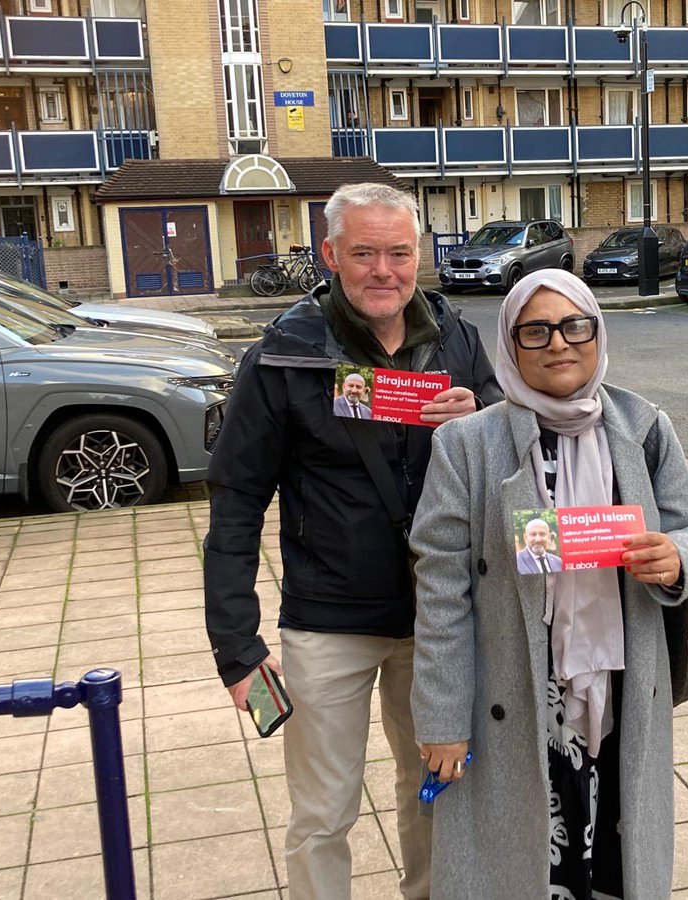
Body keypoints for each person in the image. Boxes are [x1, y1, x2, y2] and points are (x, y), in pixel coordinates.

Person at [203, 182, 502, 900]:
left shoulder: (456, 339)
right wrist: (236, 647)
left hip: (439, 616)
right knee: (322, 813)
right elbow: (237, 499)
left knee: (434, 793)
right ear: (331, 255)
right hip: (328, 618)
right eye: (363, 253)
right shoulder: (284, 355)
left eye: (398, 253)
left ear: (419, 255)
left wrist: (484, 414)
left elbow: (512, 448)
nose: (383, 271)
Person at [409, 269, 688, 899]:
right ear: (511, 345)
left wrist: (676, 557)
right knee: (520, 864)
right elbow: (442, 591)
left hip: (619, 688)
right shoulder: (466, 443)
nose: (559, 344)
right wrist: (441, 716)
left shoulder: (642, 426)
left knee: (613, 852)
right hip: (515, 690)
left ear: (598, 334)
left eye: (576, 325)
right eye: (537, 330)